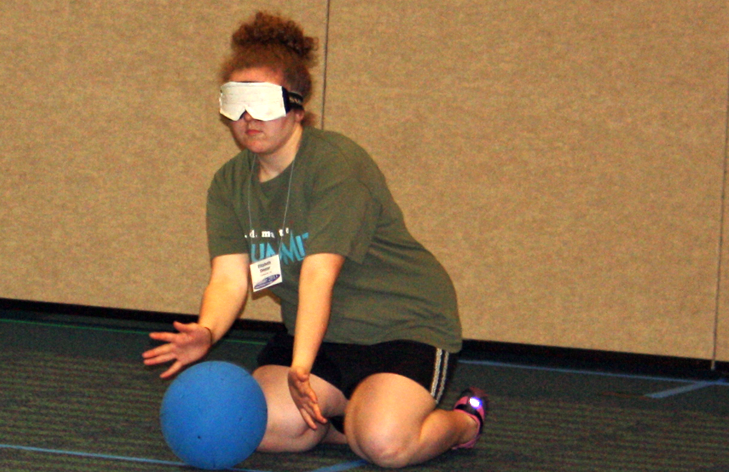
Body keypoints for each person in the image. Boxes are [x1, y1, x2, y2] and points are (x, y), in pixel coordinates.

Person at [141, 12, 482, 468]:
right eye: (235, 104)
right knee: (262, 428)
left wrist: (300, 367)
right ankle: (348, 415)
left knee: (385, 446)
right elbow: (229, 279)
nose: (247, 118)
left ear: (297, 107)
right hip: (319, 336)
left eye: (261, 103)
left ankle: (463, 421)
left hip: (403, 328)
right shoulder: (229, 184)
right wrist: (206, 330)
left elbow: (319, 275)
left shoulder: (336, 165)